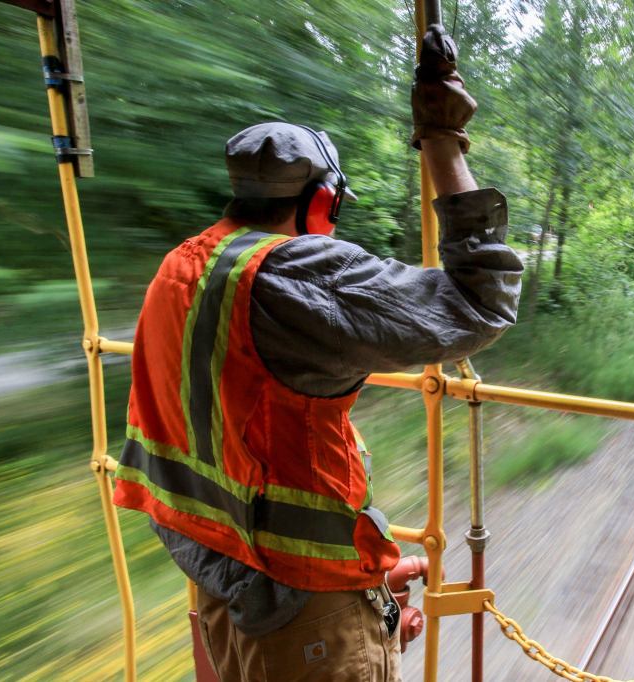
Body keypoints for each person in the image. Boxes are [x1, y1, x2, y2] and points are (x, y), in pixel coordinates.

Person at [111, 24, 522, 682]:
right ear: (322, 200)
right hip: (298, 601)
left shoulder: (181, 268)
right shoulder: (296, 274)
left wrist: (371, 584)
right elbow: (482, 303)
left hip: (218, 573)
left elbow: (245, 427)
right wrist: (443, 139)